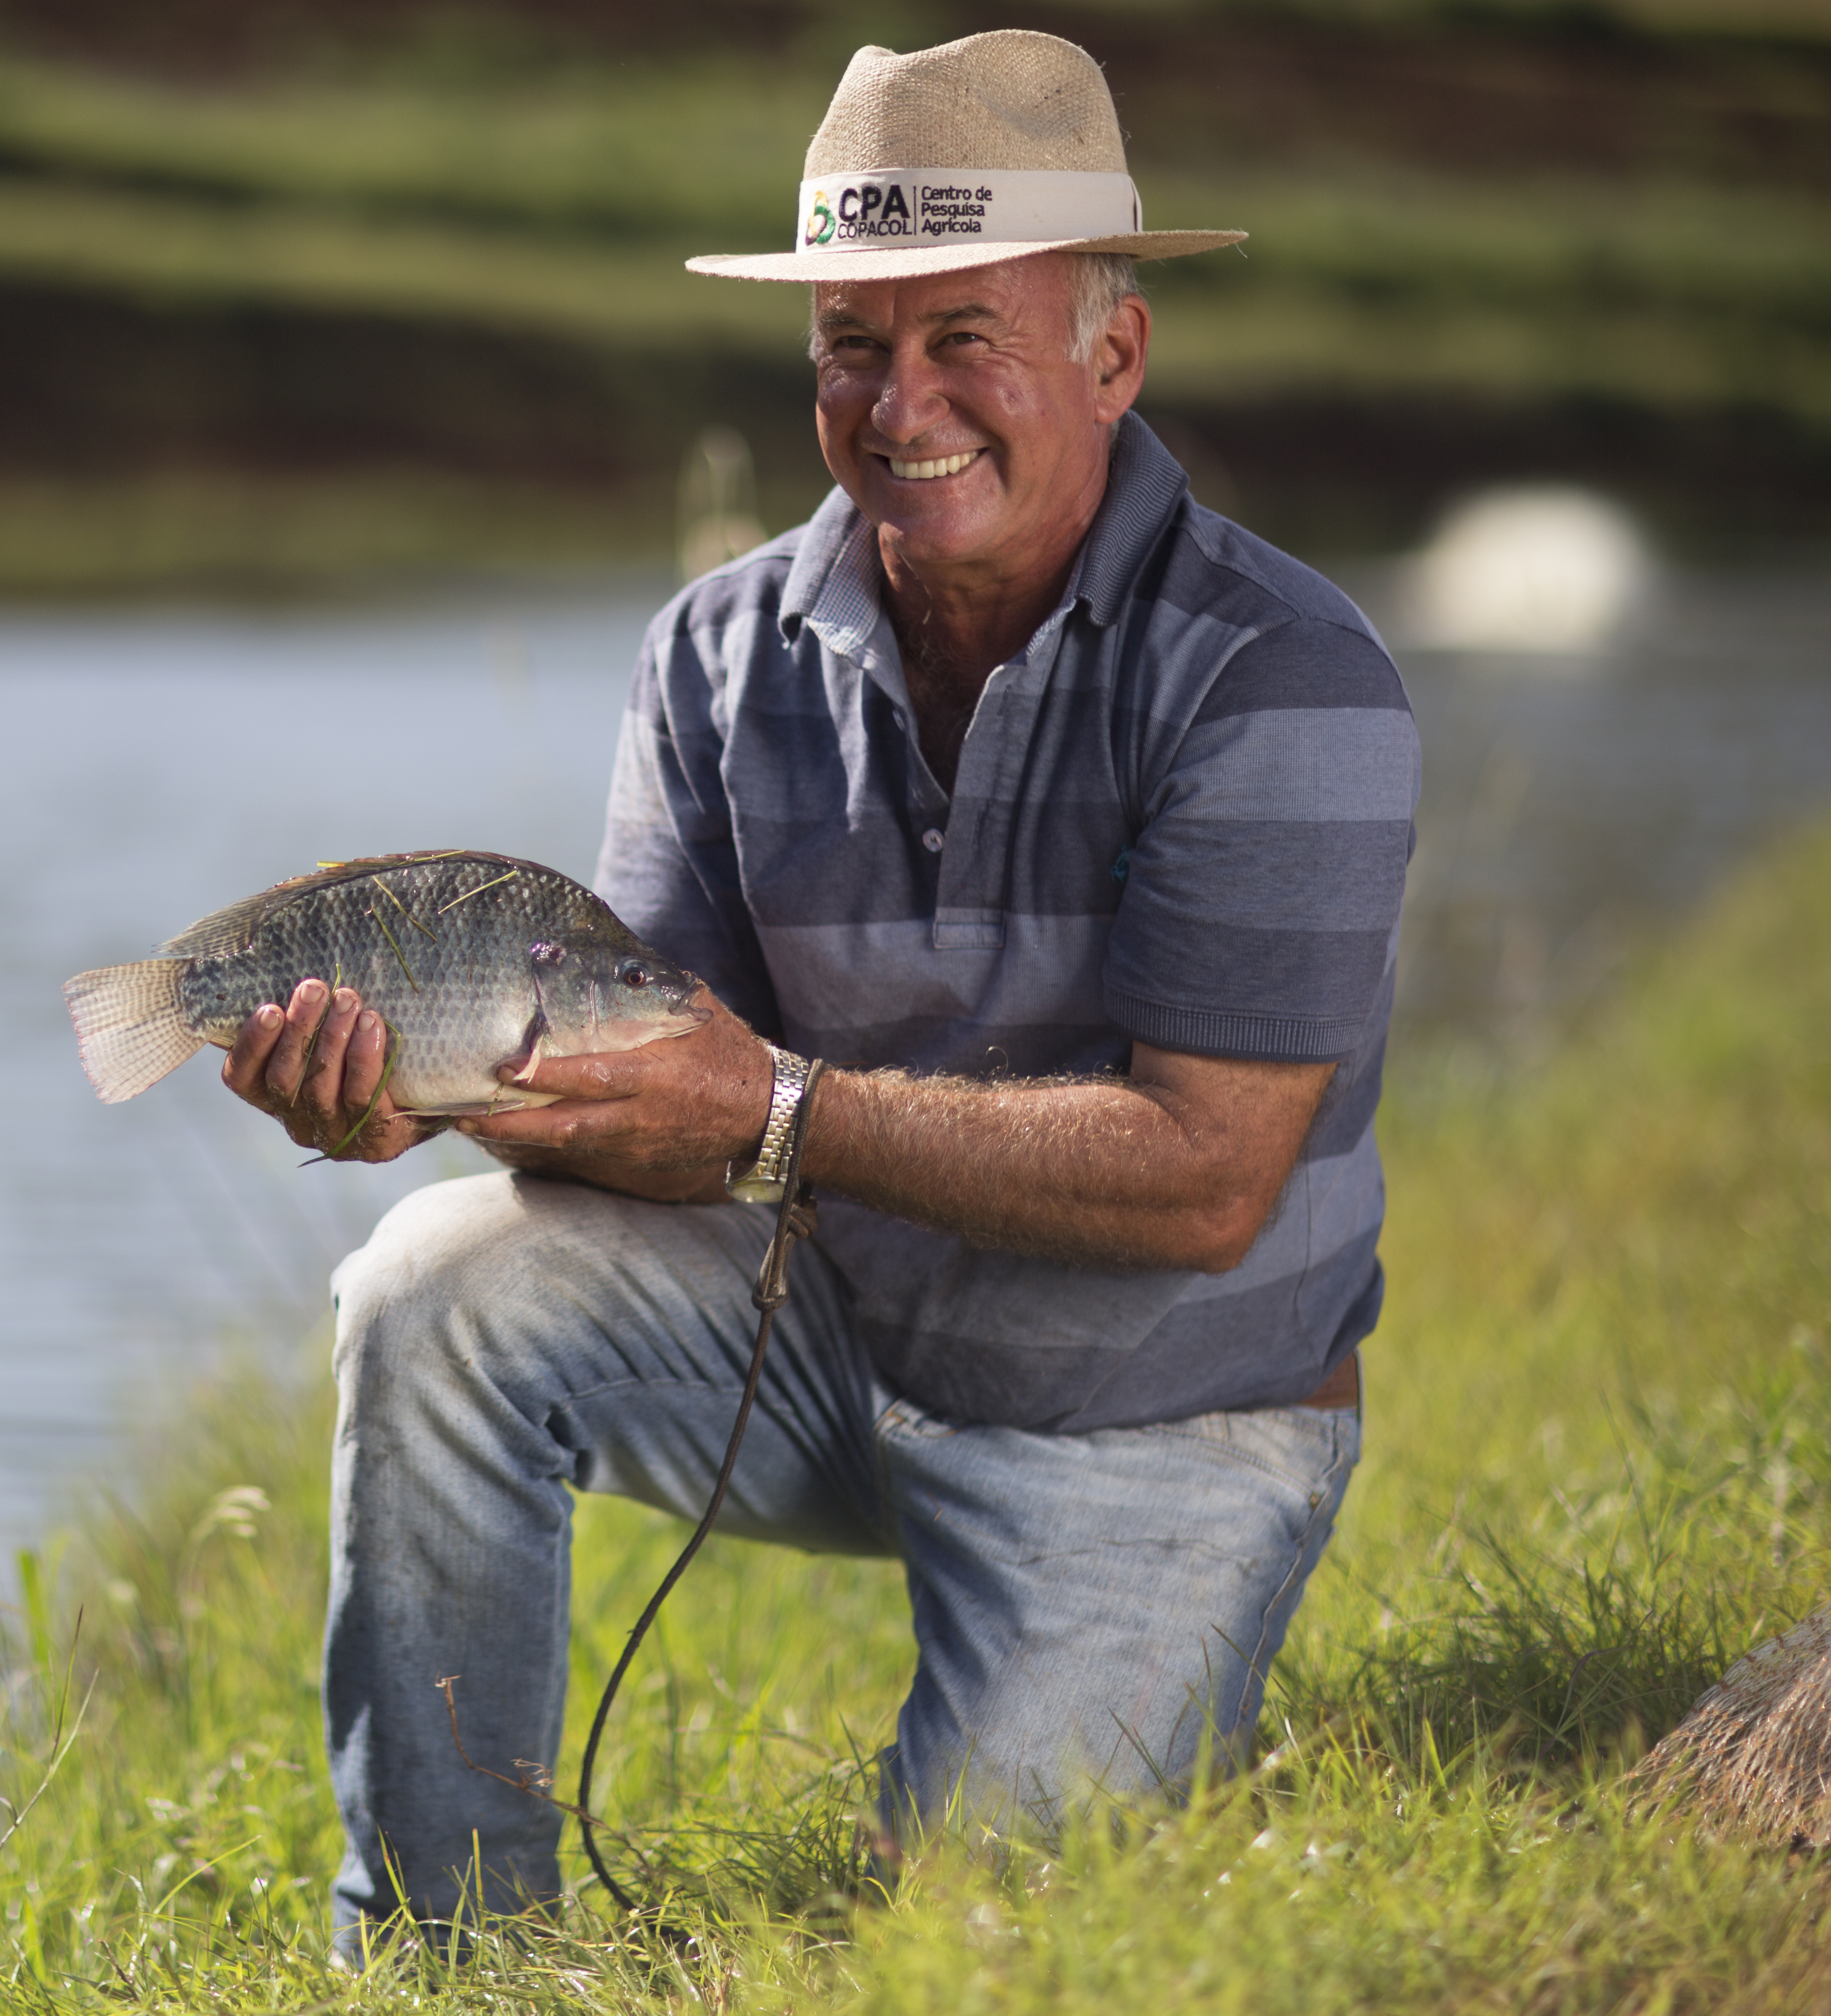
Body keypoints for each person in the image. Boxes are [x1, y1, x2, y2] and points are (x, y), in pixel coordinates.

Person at [217, 30, 1419, 1957]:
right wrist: (423, 1094)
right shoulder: (712, 652)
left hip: (1166, 1413)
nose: (902, 401)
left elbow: (1210, 1181)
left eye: (967, 337)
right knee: (425, 1287)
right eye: (853, 346)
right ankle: (448, 1961)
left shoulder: (1283, 675)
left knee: (967, 1952)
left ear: (1114, 355)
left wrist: (776, 1116)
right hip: (828, 1347)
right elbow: (656, 1112)